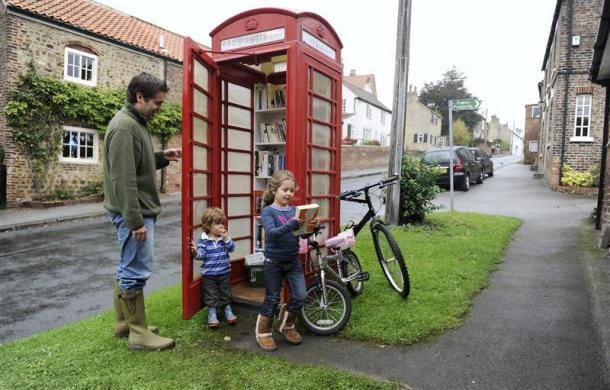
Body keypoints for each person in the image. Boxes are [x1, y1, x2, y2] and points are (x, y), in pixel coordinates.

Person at [103, 72, 180, 352]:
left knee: (127, 265)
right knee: (136, 269)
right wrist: (135, 221)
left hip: (135, 211)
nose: (160, 108)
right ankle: (138, 333)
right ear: (139, 97)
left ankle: (124, 324)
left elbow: (137, 165)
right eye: (157, 103)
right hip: (133, 213)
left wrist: (162, 157)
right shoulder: (125, 127)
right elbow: (122, 179)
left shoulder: (136, 123)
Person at [255, 170, 317, 351]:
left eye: (291, 190)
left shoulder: (294, 211)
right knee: (272, 298)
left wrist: (312, 227)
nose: (289, 194)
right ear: (274, 190)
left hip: (293, 261)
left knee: (301, 296)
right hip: (273, 262)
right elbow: (272, 234)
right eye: (285, 190)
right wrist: (292, 224)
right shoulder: (268, 211)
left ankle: (285, 324)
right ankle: (263, 332)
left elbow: (302, 234)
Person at [189, 207, 237, 328]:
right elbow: (201, 255)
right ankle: (212, 313)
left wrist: (226, 238)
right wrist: (194, 252)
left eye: (222, 223)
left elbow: (232, 248)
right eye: (217, 223)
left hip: (224, 271)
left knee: (225, 292)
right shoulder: (203, 241)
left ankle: (228, 310)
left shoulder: (223, 239)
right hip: (209, 274)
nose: (221, 226)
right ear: (208, 225)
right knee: (211, 294)